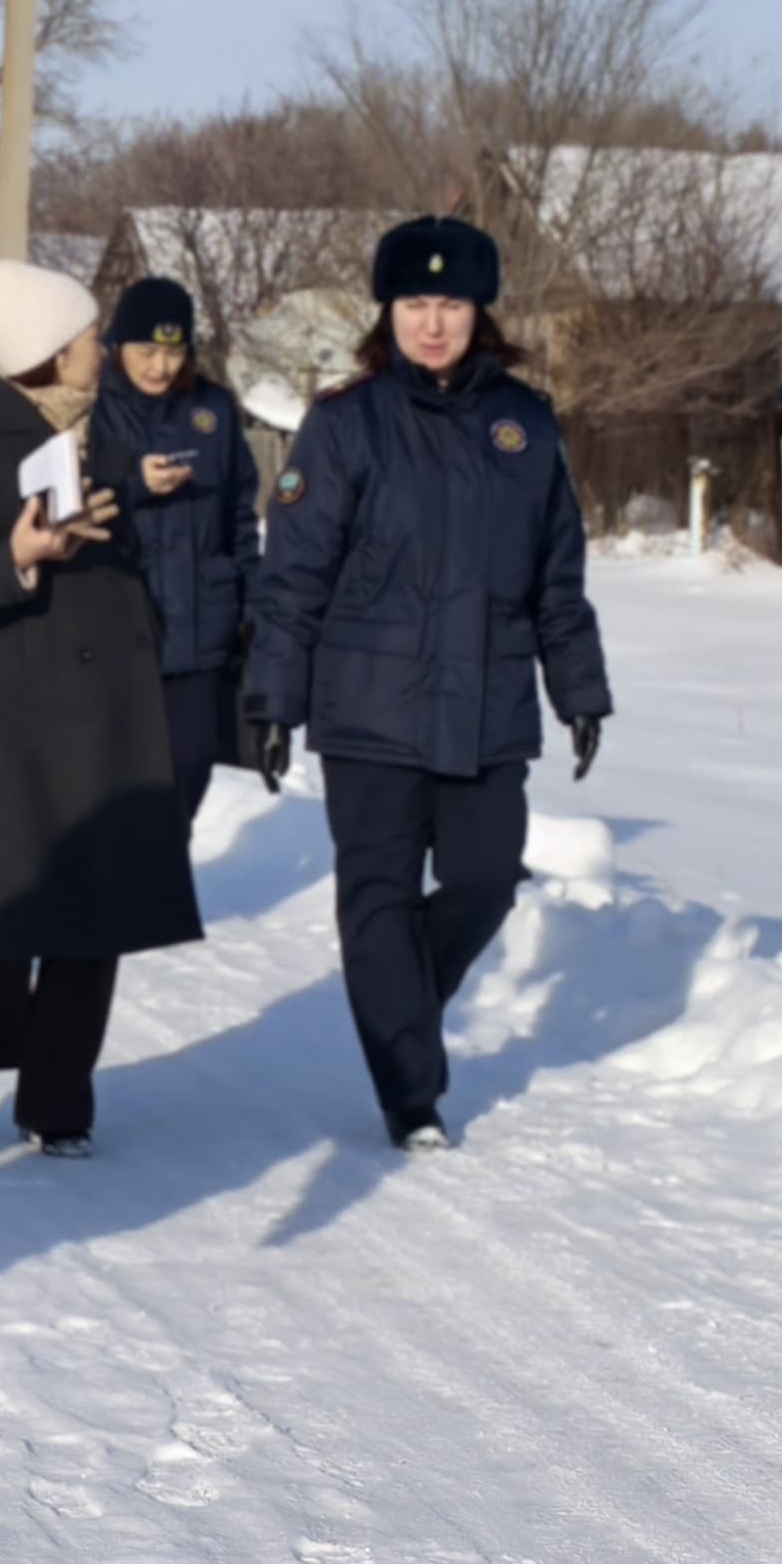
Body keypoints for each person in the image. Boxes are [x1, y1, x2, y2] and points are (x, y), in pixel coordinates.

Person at [240, 216, 613, 1154]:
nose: (432, 323)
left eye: (450, 303)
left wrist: (578, 689)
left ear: (481, 310)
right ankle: (411, 1094)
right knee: (378, 898)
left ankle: (399, 1017)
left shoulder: (526, 426)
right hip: (367, 708)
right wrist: (273, 699)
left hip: (488, 705)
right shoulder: (346, 422)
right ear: (387, 312)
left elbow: (557, 575)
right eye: (414, 303)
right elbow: (293, 576)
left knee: (486, 879)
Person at [0, 259, 202, 1156]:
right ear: (51, 351)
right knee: (15, 909)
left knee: (96, 911)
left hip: (109, 710)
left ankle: (58, 1101)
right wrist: (20, 555)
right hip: (15, 718)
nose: (102, 352)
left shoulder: (102, 439)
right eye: (89, 339)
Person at [89, 274, 260, 836]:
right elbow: (65, 502)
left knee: (190, 764)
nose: (160, 367)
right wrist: (133, 484)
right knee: (120, 782)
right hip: (119, 631)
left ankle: (158, 872)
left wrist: (253, 605)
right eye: (146, 351)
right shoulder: (92, 409)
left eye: (174, 351)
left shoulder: (212, 409)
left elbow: (240, 514)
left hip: (201, 631)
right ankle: (127, 880)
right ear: (118, 345)